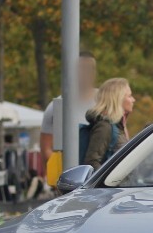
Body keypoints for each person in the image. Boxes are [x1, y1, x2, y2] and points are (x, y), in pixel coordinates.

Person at [40, 51, 97, 183]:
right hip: (69, 180)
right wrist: (63, 177)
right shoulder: (58, 106)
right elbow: (46, 147)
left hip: (99, 177)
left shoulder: (104, 102)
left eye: (91, 69)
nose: (86, 73)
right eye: (82, 68)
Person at [82, 78, 134, 170]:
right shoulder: (104, 127)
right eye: (129, 96)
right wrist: (108, 182)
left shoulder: (119, 126)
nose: (133, 100)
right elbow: (91, 163)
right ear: (118, 99)